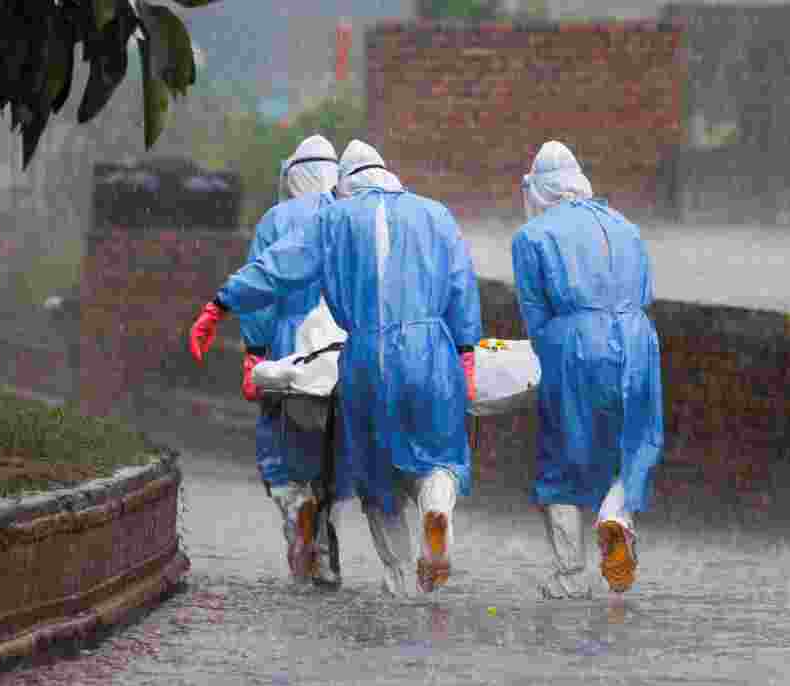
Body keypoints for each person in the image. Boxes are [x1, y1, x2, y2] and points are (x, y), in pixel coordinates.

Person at [189, 140, 482, 597]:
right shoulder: (436, 215)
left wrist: (221, 302)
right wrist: (465, 351)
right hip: (431, 351)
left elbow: (277, 268)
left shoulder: (332, 219)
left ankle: (400, 578)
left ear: (345, 184)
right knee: (439, 456)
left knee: (374, 471)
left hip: (362, 355)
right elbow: (462, 286)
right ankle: (436, 511)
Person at [511, 140, 664, 599]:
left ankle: (570, 574)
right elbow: (646, 291)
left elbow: (535, 315)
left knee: (563, 454)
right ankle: (617, 514)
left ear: (538, 190)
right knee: (635, 440)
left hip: (573, 343)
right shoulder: (626, 227)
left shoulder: (532, 237)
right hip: (637, 339)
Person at [234, 134, 345, 587]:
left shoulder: (275, 221)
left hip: (288, 342)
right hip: (342, 343)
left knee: (281, 443)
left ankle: (297, 512)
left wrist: (255, 352)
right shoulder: (347, 217)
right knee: (334, 446)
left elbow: (257, 291)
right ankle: (324, 539)